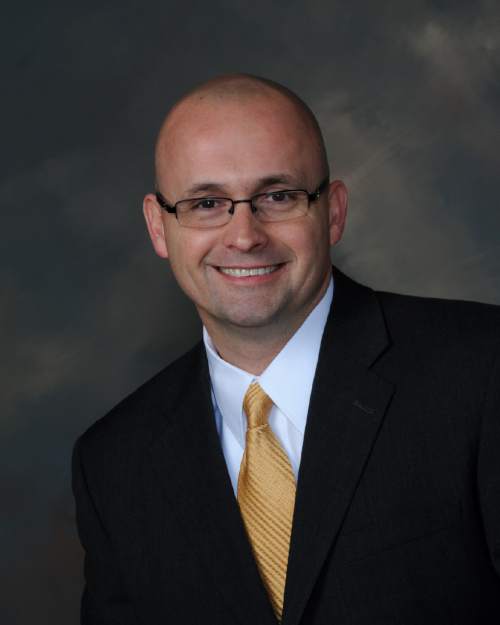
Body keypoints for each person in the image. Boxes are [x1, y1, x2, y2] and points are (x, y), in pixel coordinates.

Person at [72, 74, 500, 625]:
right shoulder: (113, 464)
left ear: (334, 211)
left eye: (278, 196)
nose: (244, 235)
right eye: (207, 202)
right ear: (159, 226)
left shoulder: (480, 371)